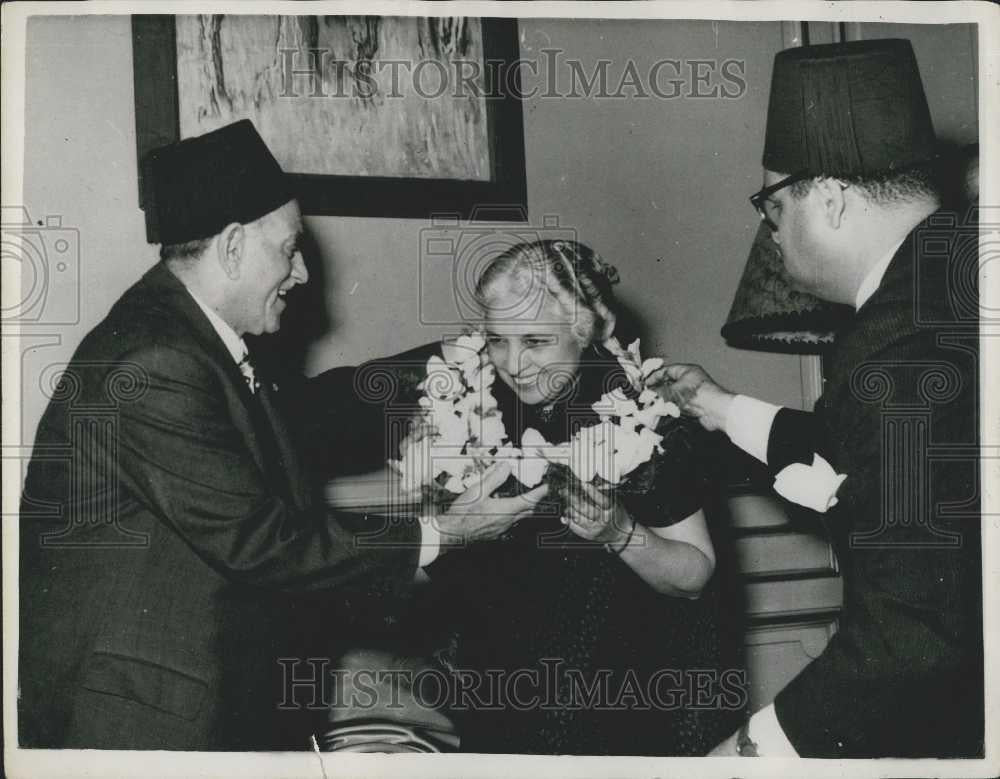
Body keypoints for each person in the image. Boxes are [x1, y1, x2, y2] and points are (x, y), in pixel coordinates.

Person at [17, 119, 545, 750]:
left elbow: (309, 414)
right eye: (289, 249)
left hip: (175, 691)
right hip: (140, 715)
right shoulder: (155, 361)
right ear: (234, 246)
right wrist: (446, 531)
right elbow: (264, 544)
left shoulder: (184, 338)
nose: (301, 274)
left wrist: (461, 354)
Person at [657, 40, 982, 757]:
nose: (770, 235)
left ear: (829, 198)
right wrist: (718, 405)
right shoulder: (950, 280)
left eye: (771, 207)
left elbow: (914, 638)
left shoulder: (900, 344)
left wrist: (753, 748)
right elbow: (882, 464)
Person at [423, 239, 739, 755]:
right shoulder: (475, 405)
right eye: (497, 340)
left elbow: (696, 575)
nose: (513, 362)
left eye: (536, 341)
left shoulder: (646, 415)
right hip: (504, 701)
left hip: (616, 705)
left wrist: (619, 533)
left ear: (583, 328)